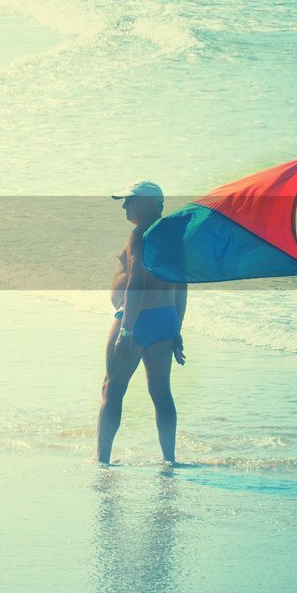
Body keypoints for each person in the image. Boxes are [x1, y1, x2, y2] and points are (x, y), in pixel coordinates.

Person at [98, 180, 187, 465]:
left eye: (130, 200)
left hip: (136, 320)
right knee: (161, 391)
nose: (125, 205)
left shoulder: (139, 234)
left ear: (150, 203)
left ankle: (102, 461)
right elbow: (183, 284)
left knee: (112, 389)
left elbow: (136, 279)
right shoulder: (175, 236)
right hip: (165, 319)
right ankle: (170, 460)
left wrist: (126, 330)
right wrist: (176, 328)